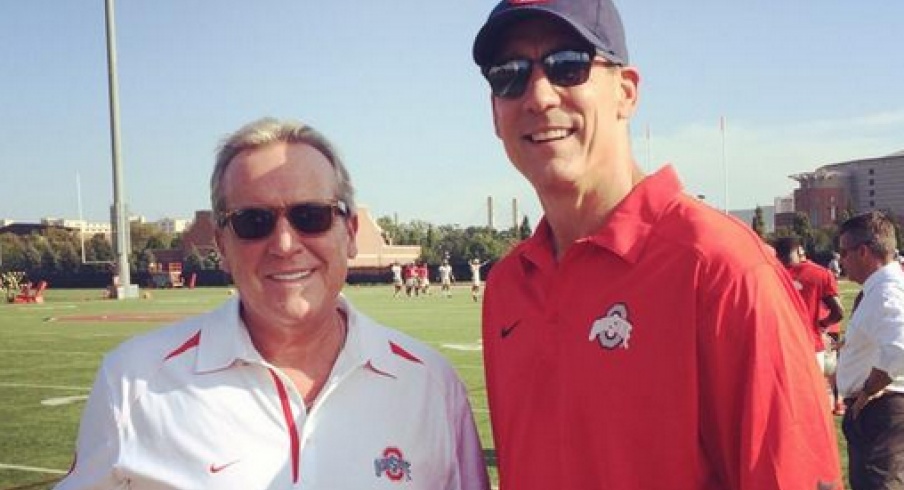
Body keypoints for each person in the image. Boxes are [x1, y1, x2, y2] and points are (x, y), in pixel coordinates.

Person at [471, 1, 843, 488]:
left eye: (568, 65)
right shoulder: (506, 287)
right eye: (509, 75)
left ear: (625, 92)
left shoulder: (719, 265)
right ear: (495, 115)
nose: (538, 95)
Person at [55, 118, 489, 490]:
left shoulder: (431, 384)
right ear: (222, 244)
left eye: (311, 216)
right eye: (253, 222)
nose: (284, 244)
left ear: (351, 231)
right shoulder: (132, 382)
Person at [837, 211, 904, 490]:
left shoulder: (886, 291)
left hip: (881, 409)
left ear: (863, 251)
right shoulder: (880, 289)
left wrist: (867, 391)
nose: (841, 260)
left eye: (844, 251)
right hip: (878, 408)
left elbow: (900, 349)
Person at [774, 236, 846, 412]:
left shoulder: (773, 273)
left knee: (786, 405)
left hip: (782, 346)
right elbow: (839, 312)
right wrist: (821, 325)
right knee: (814, 403)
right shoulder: (820, 273)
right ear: (800, 251)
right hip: (812, 346)